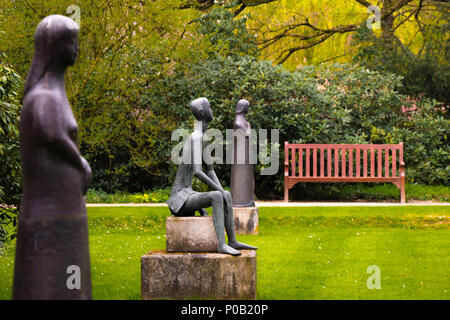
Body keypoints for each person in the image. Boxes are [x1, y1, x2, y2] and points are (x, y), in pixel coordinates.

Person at [13, 15, 92, 299]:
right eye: (71, 42)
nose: (76, 48)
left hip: (65, 211)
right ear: (53, 46)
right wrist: (79, 163)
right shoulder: (44, 97)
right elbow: (51, 133)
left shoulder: (54, 93)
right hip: (50, 217)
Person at [167, 97, 257, 256]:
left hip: (189, 193)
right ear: (202, 111)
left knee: (226, 194)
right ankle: (221, 245)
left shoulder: (203, 137)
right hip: (180, 198)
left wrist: (223, 192)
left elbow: (210, 170)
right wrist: (219, 192)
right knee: (217, 196)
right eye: (209, 106)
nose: (212, 110)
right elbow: (198, 172)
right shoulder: (196, 137)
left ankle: (232, 241)